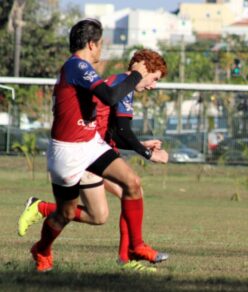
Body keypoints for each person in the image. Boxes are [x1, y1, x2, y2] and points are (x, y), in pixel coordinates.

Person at [30, 18, 167, 273]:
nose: (102, 48)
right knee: (66, 213)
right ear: (92, 44)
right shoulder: (76, 66)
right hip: (68, 150)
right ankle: (42, 249)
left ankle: (136, 246)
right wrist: (137, 73)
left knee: (132, 183)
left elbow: (109, 104)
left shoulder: (83, 67)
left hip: (91, 143)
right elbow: (110, 95)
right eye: (101, 43)